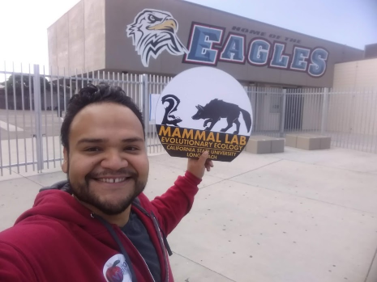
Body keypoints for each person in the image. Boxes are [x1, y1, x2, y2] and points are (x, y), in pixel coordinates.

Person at [0, 83, 213, 282]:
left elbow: (162, 216)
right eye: (93, 148)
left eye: (130, 148)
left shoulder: (140, 210)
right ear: (66, 158)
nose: (114, 163)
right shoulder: (32, 249)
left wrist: (193, 177)